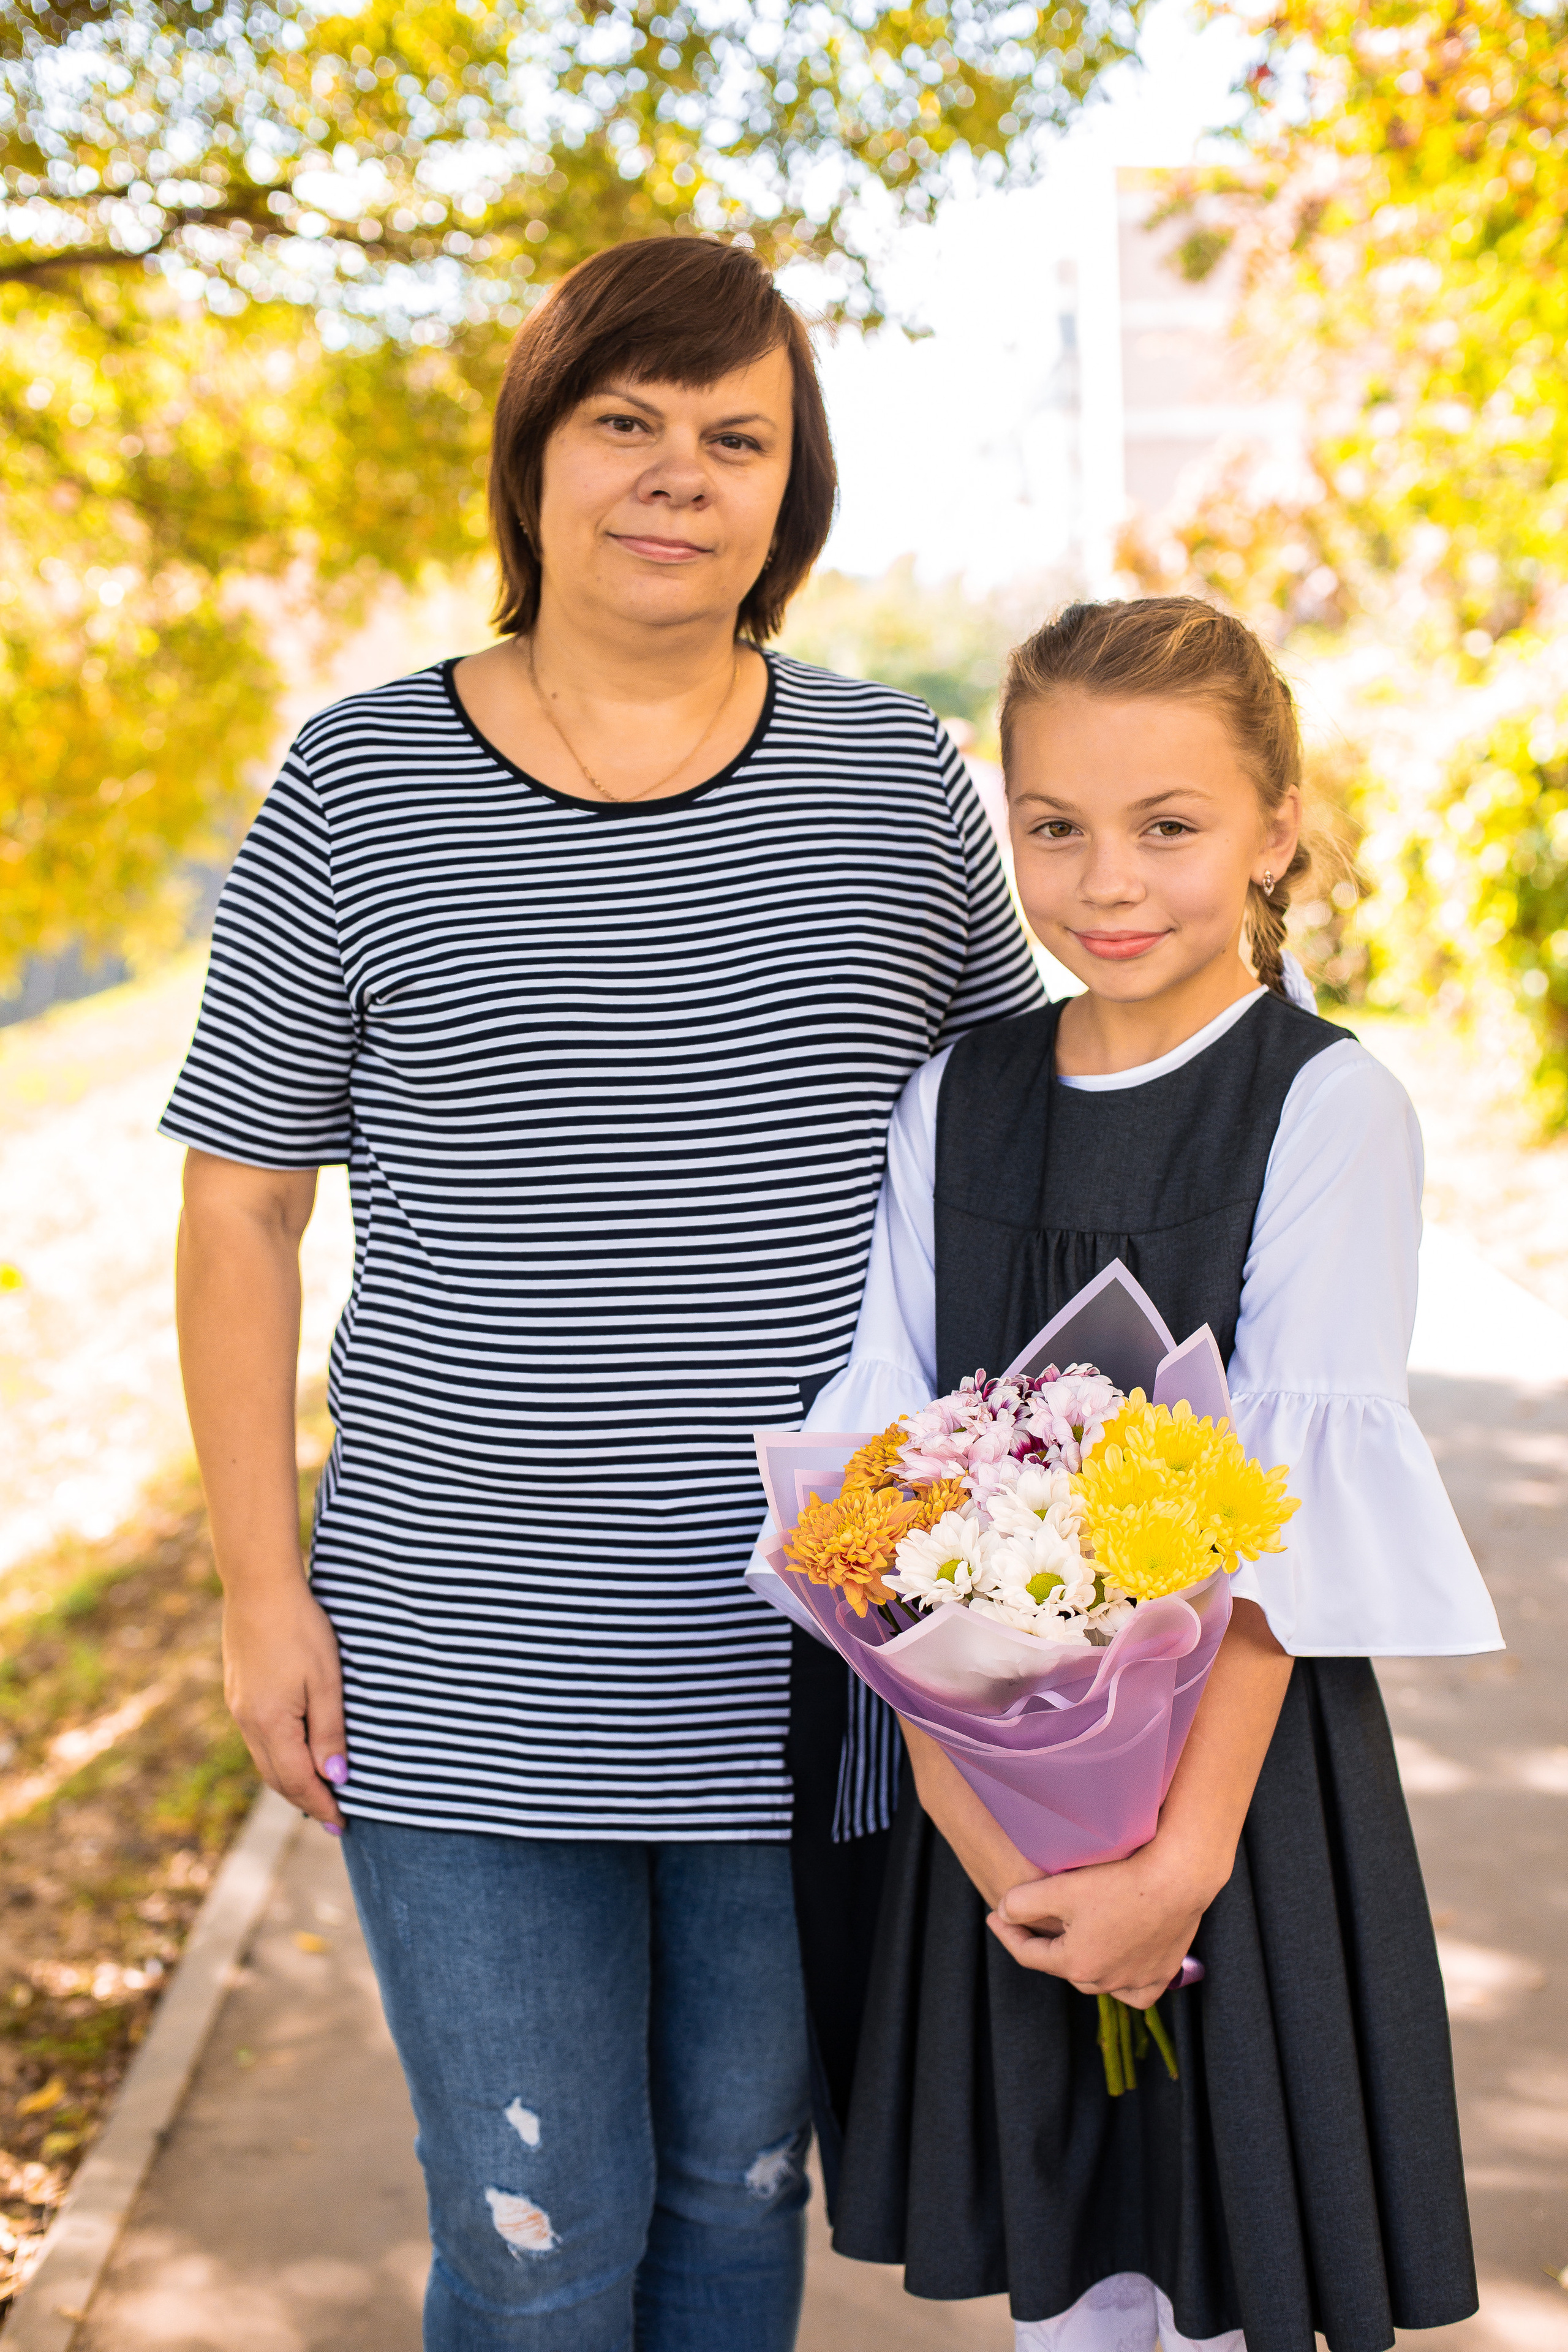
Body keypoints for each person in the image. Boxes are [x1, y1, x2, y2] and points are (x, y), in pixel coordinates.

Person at [160, 233, 1044, 2352]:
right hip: (457, 1662)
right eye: (625, 421)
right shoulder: (358, 783)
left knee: (742, 2199)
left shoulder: (897, 783)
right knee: (540, 2241)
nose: (677, 474)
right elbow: (239, 1211)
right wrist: (261, 1592)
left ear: (791, 491)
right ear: (535, 459)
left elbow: (1021, 1157)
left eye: (736, 437)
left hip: (814, 1666)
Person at [793, 597, 1502, 2351]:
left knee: (1223, 2275)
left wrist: (1173, 1870)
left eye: (1168, 826)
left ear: (1274, 828)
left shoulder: (1324, 1106)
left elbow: (1290, 1526)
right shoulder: (955, 1098)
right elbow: (872, 1504)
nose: (1107, 882)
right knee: (1076, 2287)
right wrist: (989, 1841)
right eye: (1055, 827)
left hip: (1236, 1810)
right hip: (993, 1818)